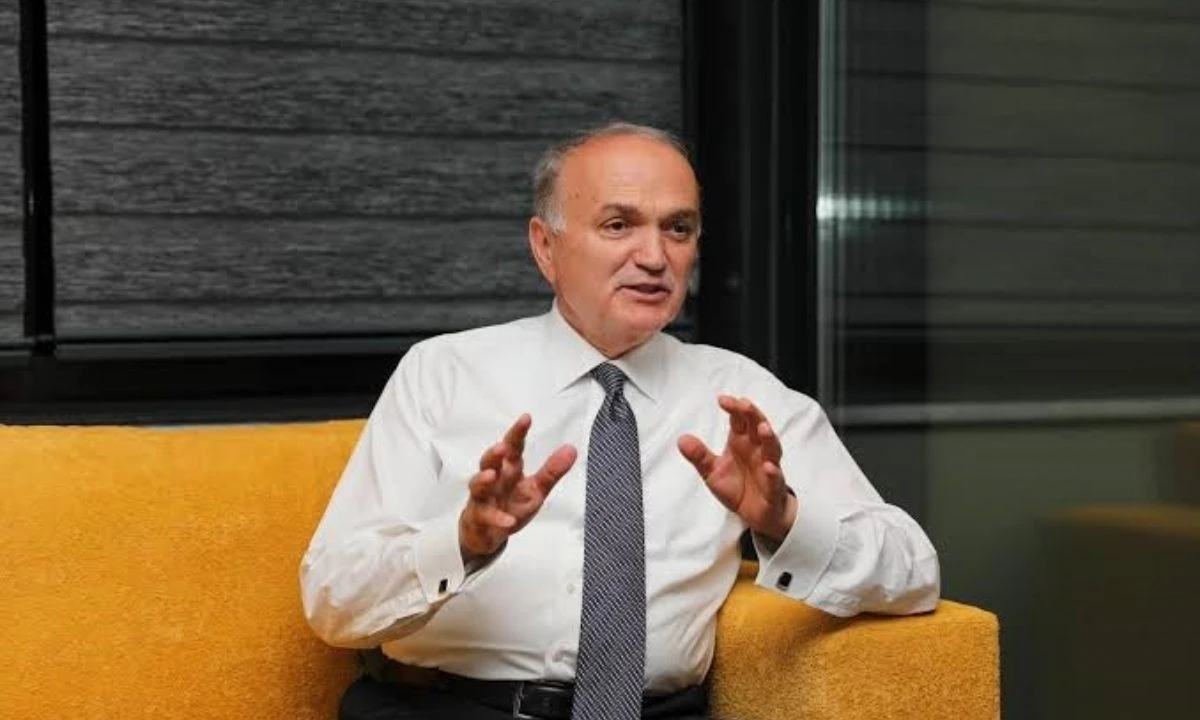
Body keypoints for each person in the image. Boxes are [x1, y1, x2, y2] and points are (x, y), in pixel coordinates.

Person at [300, 122, 940, 720]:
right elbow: (332, 602)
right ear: (546, 247)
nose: (655, 256)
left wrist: (786, 519)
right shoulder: (443, 373)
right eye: (618, 225)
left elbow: (914, 571)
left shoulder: (740, 399)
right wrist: (464, 541)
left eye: (678, 229)